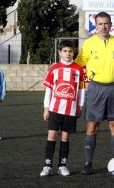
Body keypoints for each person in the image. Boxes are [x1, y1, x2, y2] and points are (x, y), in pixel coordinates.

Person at [75, 11, 114, 175]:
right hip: (95, 88)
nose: (103, 26)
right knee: (92, 125)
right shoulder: (89, 43)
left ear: (110, 24)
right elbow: (79, 63)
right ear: (96, 25)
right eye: (100, 23)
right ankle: (88, 164)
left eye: (106, 23)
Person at [40, 40, 85, 177]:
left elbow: (82, 90)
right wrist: (46, 108)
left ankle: (62, 165)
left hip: (71, 110)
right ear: (59, 52)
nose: (68, 53)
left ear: (74, 52)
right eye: (65, 51)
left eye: (70, 51)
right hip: (54, 109)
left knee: (65, 137)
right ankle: (47, 165)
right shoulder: (54, 68)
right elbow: (49, 90)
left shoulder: (78, 69)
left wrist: (81, 106)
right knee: (52, 135)